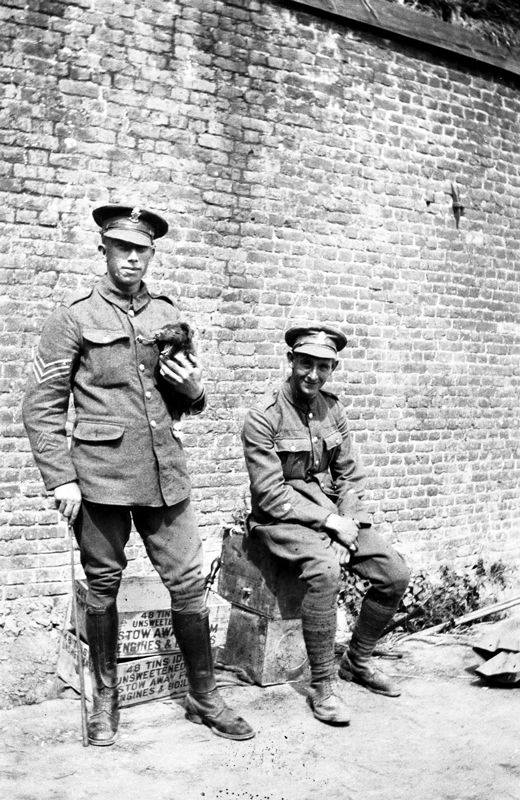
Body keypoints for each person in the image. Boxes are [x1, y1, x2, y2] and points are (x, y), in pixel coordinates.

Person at [22, 204, 254, 746]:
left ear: (151, 254)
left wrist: (195, 389)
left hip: (164, 475)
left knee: (189, 585)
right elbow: (42, 407)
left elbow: (182, 399)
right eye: (121, 247)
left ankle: (204, 696)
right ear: (103, 249)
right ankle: (105, 699)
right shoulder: (73, 319)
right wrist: (60, 479)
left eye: (141, 249)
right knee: (103, 585)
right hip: (99, 476)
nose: (131, 257)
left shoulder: (167, 316)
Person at [241, 324, 410, 726]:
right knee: (325, 570)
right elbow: (270, 495)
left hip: (334, 518)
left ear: (333, 368)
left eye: (322, 366)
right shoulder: (262, 417)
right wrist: (331, 522)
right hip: (281, 521)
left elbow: (350, 477)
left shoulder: (333, 409)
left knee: (394, 573)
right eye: (305, 364)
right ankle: (322, 685)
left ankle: (358, 660)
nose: (312, 375)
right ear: (290, 361)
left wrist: (347, 523)